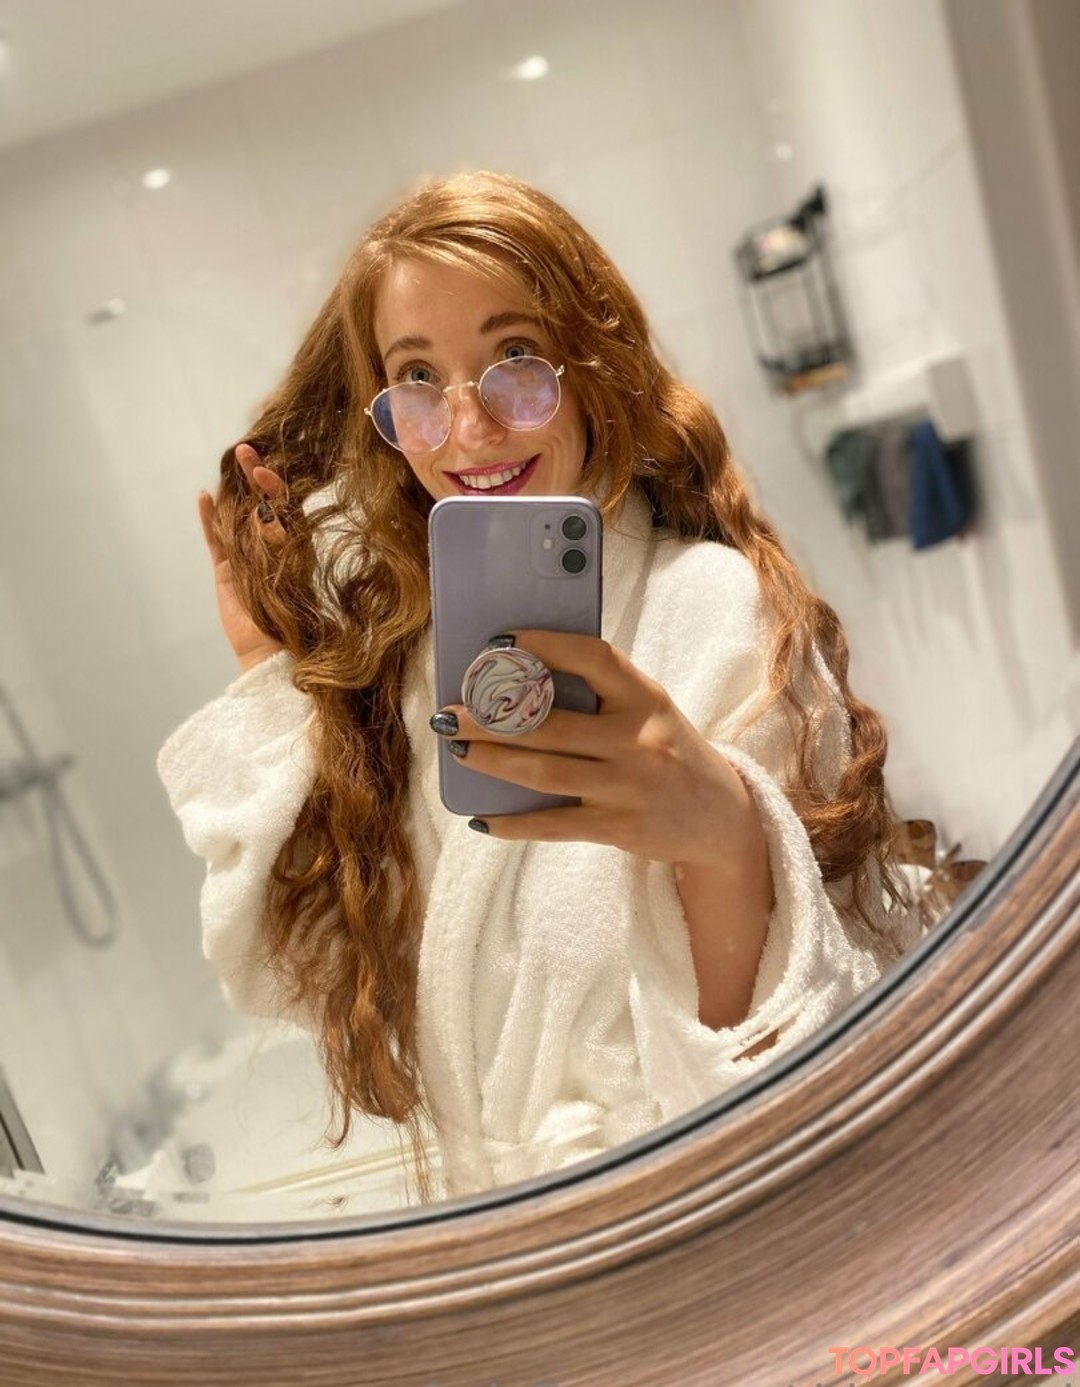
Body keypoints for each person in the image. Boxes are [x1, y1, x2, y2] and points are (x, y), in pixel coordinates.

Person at [157, 171, 918, 1203]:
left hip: (701, 1211)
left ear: (592, 365)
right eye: (417, 376)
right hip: (513, 1227)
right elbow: (308, 973)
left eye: (514, 358)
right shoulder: (411, 658)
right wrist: (265, 673)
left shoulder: (711, 609)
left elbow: (809, 1063)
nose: (467, 427)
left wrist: (725, 838)